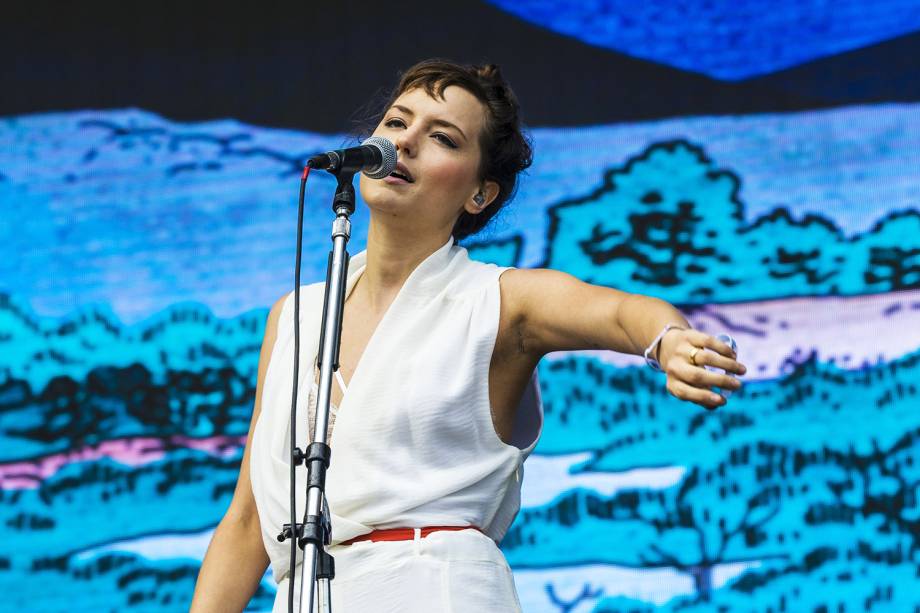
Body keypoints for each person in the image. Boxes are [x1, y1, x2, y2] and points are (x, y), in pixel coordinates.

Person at [190, 59, 748, 612]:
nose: (404, 143)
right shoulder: (295, 316)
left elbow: (620, 312)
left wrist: (668, 340)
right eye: (395, 123)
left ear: (480, 194)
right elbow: (247, 522)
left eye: (442, 138)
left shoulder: (499, 301)